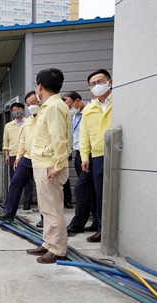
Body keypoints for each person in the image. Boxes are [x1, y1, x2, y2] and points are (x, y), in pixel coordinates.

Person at [26, 68, 72, 264]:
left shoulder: (53, 107)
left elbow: (59, 138)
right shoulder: (49, 106)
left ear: (40, 86)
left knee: (52, 209)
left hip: (49, 166)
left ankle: (57, 249)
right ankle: (48, 243)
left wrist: (58, 165)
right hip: (43, 164)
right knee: (46, 208)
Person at [79, 69, 113, 243]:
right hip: (98, 155)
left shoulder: (120, 102)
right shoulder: (89, 109)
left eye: (100, 82)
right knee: (100, 194)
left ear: (110, 82)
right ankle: (102, 229)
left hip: (118, 153)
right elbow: (84, 135)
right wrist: (85, 157)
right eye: (92, 84)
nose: (96, 86)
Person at [63, 91, 99, 235]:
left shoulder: (90, 112)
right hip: (79, 153)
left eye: (70, 105)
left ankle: (78, 223)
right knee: (90, 190)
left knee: (81, 189)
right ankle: (96, 221)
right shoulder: (74, 117)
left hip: (90, 154)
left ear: (78, 101)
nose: (69, 109)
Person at [0, 92, 38, 219]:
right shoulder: (28, 122)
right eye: (28, 104)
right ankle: (9, 212)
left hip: (41, 156)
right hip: (24, 156)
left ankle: (43, 216)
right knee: (15, 181)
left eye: (33, 103)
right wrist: (17, 158)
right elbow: (22, 141)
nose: (31, 106)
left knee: (41, 186)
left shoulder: (44, 117)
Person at [3, 102, 32, 210]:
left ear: (23, 110)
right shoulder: (8, 126)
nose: (16, 112)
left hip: (26, 156)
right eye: (14, 110)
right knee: (14, 180)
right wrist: (6, 155)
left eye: (18, 109)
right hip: (13, 155)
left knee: (28, 181)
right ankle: (14, 204)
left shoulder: (29, 123)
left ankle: (27, 202)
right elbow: (5, 143)